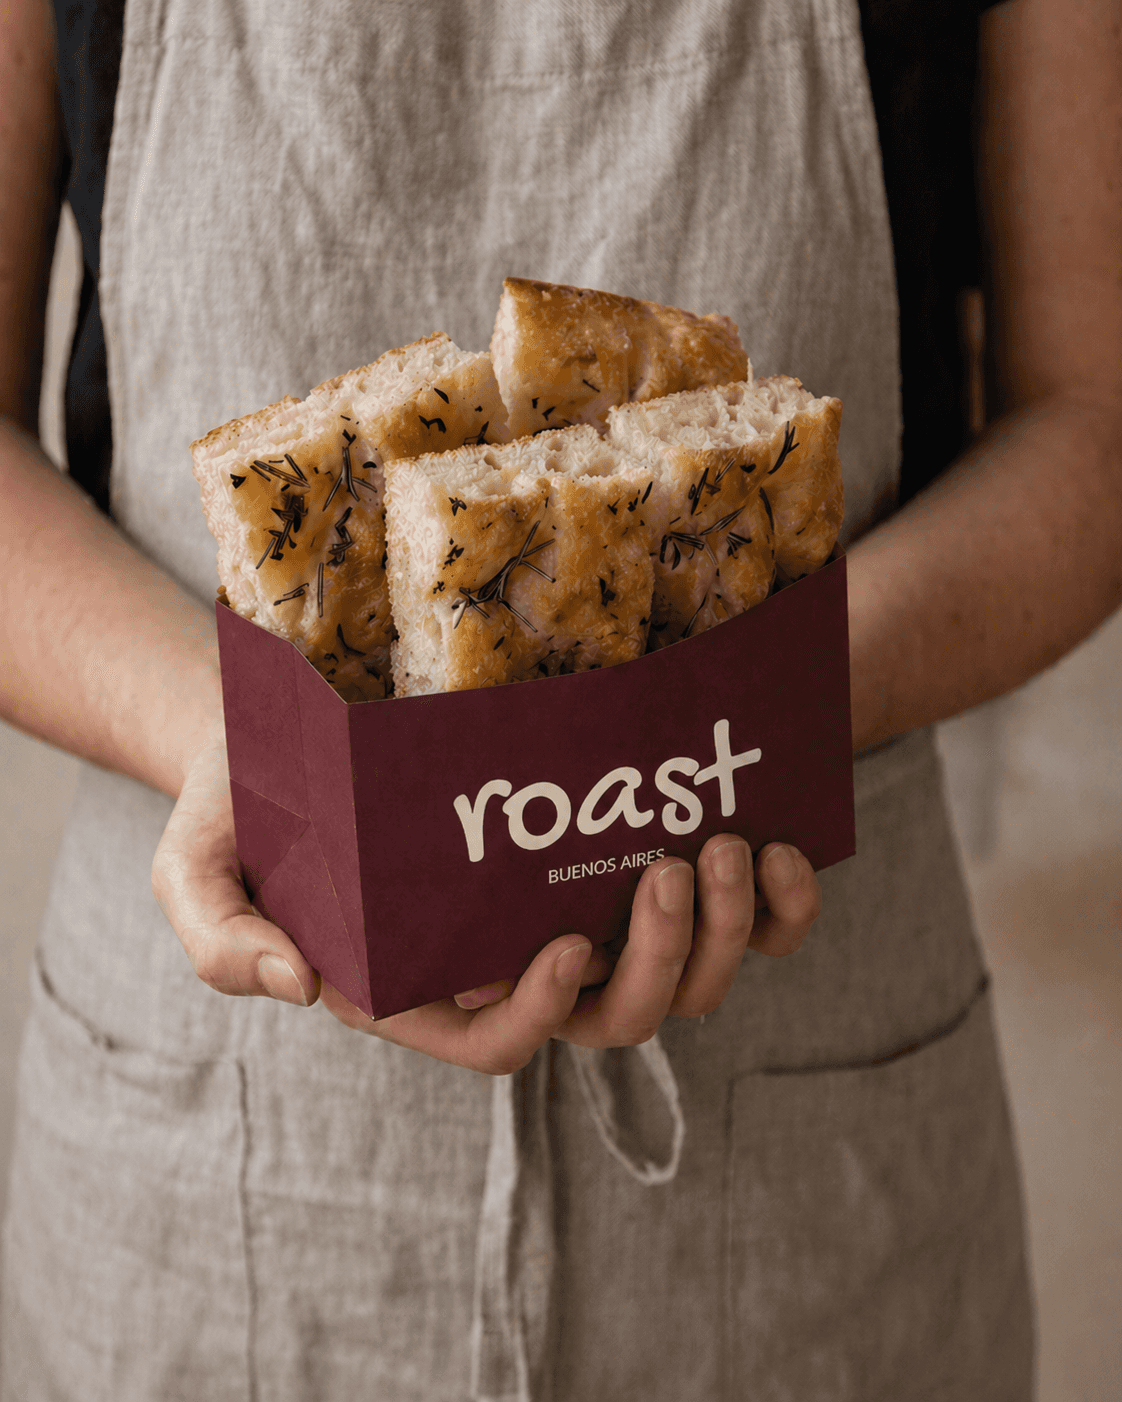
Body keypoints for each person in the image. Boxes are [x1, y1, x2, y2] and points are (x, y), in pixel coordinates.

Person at [1, 0, 1118, 1397]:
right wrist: (253, 758)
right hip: (209, 1166)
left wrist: (731, 730)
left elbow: (1089, 422)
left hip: (808, 1187)